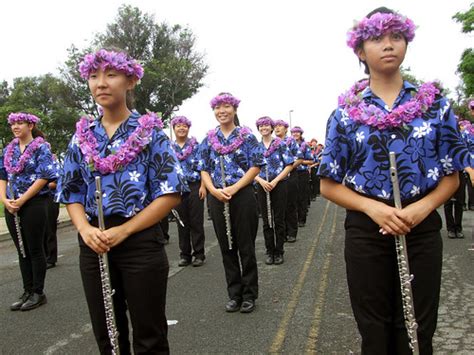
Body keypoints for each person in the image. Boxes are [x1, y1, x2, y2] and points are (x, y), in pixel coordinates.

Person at [318, 8, 472, 354]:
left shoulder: (435, 106)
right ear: (360, 50)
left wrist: (421, 209)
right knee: (374, 329)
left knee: (418, 329)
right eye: (377, 39)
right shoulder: (344, 113)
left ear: (406, 42)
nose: (389, 45)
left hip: (421, 227)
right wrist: (375, 209)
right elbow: (327, 184)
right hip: (366, 228)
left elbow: (452, 177)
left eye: (396, 37)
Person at [57, 49, 188, 354]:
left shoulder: (151, 132)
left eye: (110, 75)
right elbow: (72, 191)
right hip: (94, 242)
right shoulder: (81, 137)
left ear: (130, 81)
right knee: (108, 335)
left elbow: (170, 192)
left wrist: (125, 231)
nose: (100, 83)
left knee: (149, 335)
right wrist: (85, 230)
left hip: (140, 239)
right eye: (93, 76)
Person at [199, 92, 264, 314]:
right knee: (226, 246)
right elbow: (203, 169)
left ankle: (249, 294)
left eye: (226, 106)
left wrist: (235, 188)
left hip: (242, 195)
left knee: (245, 245)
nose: (222, 111)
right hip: (217, 197)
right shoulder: (208, 139)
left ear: (234, 109)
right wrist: (213, 191)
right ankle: (234, 294)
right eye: (217, 108)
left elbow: (256, 165)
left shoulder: (247, 137)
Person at [0, 112, 56, 311]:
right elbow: (3, 175)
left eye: (20, 123)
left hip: (34, 203)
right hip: (12, 204)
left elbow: (46, 175)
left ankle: (38, 293)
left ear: (30, 126)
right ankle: (27, 290)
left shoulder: (41, 148)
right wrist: (5, 199)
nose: (15, 127)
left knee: (34, 248)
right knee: (21, 250)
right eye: (13, 123)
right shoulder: (9, 149)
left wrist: (23, 199)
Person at [254, 117, 294, 265]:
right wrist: (261, 181)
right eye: (261, 126)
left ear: (271, 127)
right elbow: (249, 168)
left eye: (266, 125)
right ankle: (269, 251)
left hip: (279, 184)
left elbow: (289, 164)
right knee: (266, 220)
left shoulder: (280, 144)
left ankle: (279, 251)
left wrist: (275, 180)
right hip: (262, 185)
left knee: (278, 218)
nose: (264, 128)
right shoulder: (255, 146)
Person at [170, 115, 207, 267]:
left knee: (196, 221)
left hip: (194, 186)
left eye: (184, 125)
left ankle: (199, 254)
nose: (181, 128)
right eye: (178, 125)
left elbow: (203, 167)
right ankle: (185, 255)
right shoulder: (169, 147)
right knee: (181, 222)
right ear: (174, 128)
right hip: (178, 189)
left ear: (188, 128)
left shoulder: (196, 146)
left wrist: (203, 186)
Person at [274, 120, 303, 242]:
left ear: (286, 129)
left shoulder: (291, 142)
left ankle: (292, 232)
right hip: (277, 178)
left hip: (291, 176)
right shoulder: (273, 143)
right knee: (280, 205)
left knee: (290, 204)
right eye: (275, 126)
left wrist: (288, 167)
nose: (277, 128)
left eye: (280, 126)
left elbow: (300, 158)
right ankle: (282, 233)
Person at [290, 126, 313, 228]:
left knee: (302, 196)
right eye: (293, 132)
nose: (295, 134)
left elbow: (311, 161)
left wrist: (300, 160)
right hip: (291, 172)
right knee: (292, 197)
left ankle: (301, 219)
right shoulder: (288, 144)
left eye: (297, 132)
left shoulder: (305, 145)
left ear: (300, 134)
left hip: (302, 173)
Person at [44, 154, 61, 269]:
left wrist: (43, 184)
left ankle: (51, 258)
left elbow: (58, 182)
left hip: (50, 198)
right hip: (36, 199)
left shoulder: (52, 160)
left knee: (49, 228)